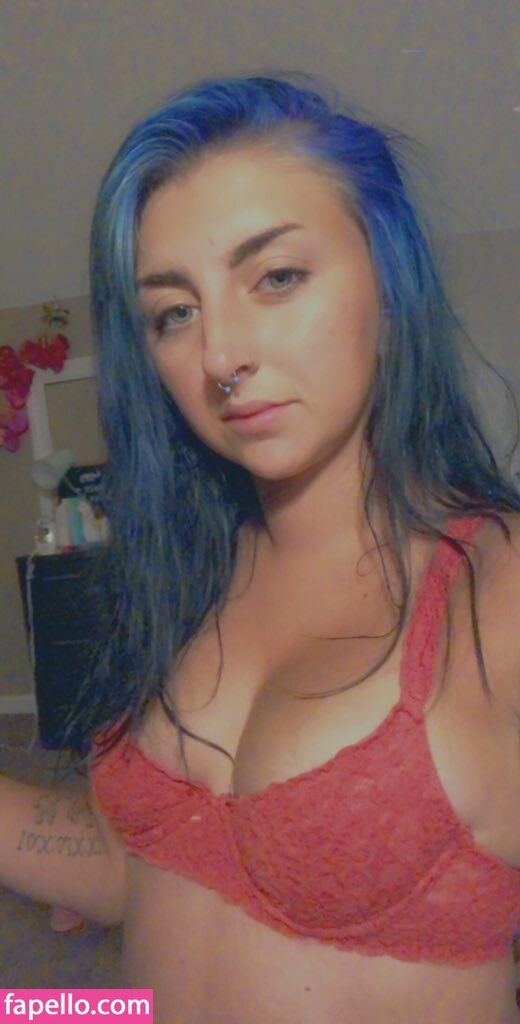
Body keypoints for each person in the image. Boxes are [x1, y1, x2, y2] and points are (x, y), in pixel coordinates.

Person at [1, 74, 520, 1023]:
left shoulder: (495, 592)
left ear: (390, 283)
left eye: (276, 277)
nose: (219, 355)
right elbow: (138, 864)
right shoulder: (190, 572)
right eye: (175, 312)